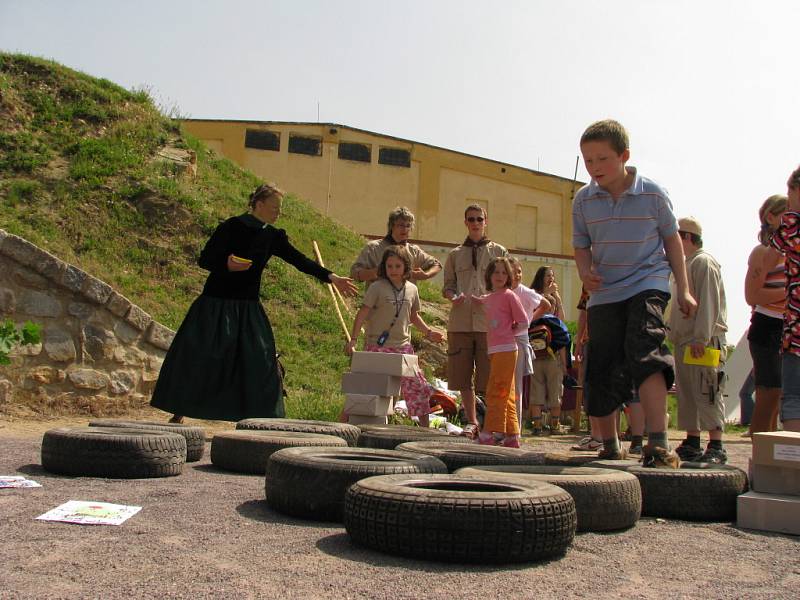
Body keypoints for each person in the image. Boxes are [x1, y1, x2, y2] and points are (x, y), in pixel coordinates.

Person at [151, 183, 357, 423]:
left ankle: (260, 416)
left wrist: (331, 277)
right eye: (274, 207)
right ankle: (180, 410)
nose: (278, 212)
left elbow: (299, 260)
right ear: (258, 205)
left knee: (259, 360)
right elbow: (205, 259)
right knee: (200, 356)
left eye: (279, 208)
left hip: (248, 308)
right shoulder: (231, 227)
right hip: (215, 304)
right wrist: (227, 263)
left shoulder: (272, 236)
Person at [572, 119, 696, 467]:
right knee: (601, 364)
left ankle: (658, 441)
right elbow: (581, 246)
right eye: (588, 160)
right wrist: (585, 272)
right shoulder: (583, 201)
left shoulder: (653, 194)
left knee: (644, 349)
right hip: (606, 290)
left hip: (648, 282)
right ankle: (609, 443)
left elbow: (672, 241)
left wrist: (683, 289)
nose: (595, 168)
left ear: (624, 156)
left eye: (602, 159)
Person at [344, 246, 444, 427]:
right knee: (366, 389)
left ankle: (425, 430)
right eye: (389, 266)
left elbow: (414, 316)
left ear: (406, 267)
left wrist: (429, 332)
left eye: (397, 266)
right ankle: (344, 424)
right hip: (377, 345)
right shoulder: (376, 287)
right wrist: (353, 339)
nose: (393, 270)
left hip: (403, 347)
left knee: (419, 388)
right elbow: (363, 313)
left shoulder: (412, 289)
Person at [442, 204, 508, 439]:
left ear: (486, 221)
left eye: (479, 219)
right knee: (462, 376)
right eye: (471, 219)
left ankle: (491, 423)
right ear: (465, 222)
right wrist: (452, 296)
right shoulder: (455, 254)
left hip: (489, 324)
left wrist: (489, 299)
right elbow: (447, 285)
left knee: (489, 377)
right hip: (460, 322)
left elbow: (508, 287)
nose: (475, 223)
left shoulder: (499, 252)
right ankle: (471, 422)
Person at [668, 217, 729, 464]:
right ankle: (692, 441)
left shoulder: (704, 262)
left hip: (703, 341)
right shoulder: (686, 265)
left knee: (708, 390)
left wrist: (701, 337)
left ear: (687, 237)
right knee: (688, 393)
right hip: (685, 341)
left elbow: (709, 303)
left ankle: (716, 444)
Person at [470, 257, 528, 447]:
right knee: (506, 392)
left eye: (504, 272)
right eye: (496, 272)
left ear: (509, 276)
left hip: (507, 349)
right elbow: (484, 301)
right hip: (495, 350)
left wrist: (510, 331)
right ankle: (512, 436)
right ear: (489, 275)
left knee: (496, 391)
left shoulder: (509, 295)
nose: (500, 276)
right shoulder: (491, 297)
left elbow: (523, 321)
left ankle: (488, 433)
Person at [744, 194, 787, 434]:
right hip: (767, 326)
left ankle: (770, 457)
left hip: (788, 327)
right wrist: (788, 292)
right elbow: (752, 296)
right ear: (771, 217)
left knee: (778, 396)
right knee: (768, 394)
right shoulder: (762, 252)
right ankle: (761, 457)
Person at [767, 165, 800, 433]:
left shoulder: (792, 226)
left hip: (796, 329)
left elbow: (774, 247)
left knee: (794, 399)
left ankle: (793, 469)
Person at [507, 256, 551, 430]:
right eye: (513, 271)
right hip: (503, 341)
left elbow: (546, 304)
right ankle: (502, 425)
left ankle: (515, 428)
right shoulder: (504, 292)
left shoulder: (525, 292)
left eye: (519, 271)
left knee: (516, 387)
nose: (517, 275)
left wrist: (528, 319)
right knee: (503, 385)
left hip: (518, 340)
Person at [350, 207, 441, 288]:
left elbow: (437, 265)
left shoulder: (414, 251)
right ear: (392, 226)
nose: (405, 229)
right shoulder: (373, 248)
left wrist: (426, 275)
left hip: (404, 304)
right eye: (401, 225)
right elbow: (355, 273)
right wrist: (375, 272)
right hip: (377, 303)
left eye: (408, 226)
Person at [529, 266, 567, 435]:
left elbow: (562, 320)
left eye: (552, 275)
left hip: (552, 351)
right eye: (547, 275)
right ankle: (537, 425)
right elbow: (532, 312)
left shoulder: (554, 295)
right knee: (538, 388)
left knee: (555, 388)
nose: (551, 278)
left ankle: (554, 425)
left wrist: (557, 299)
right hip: (537, 350)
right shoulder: (534, 293)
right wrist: (546, 293)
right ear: (540, 277)